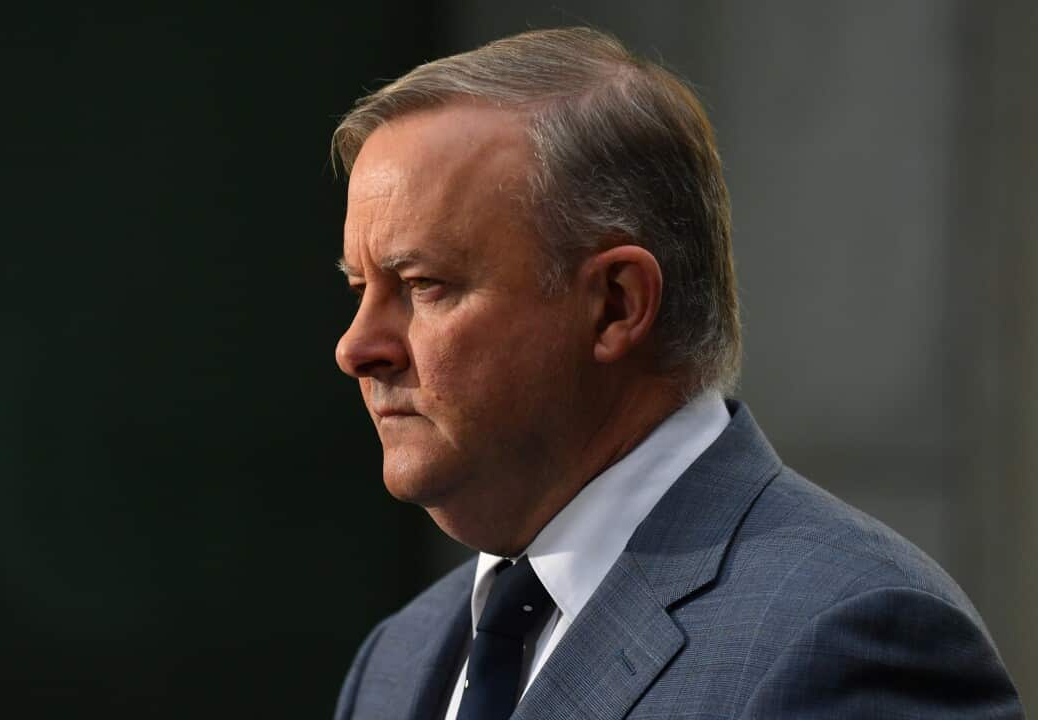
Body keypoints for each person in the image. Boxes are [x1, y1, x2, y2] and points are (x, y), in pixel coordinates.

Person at [329, 27, 1022, 720]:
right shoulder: (397, 659)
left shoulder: (852, 637)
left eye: (422, 285)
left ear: (616, 305)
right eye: (360, 287)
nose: (356, 347)